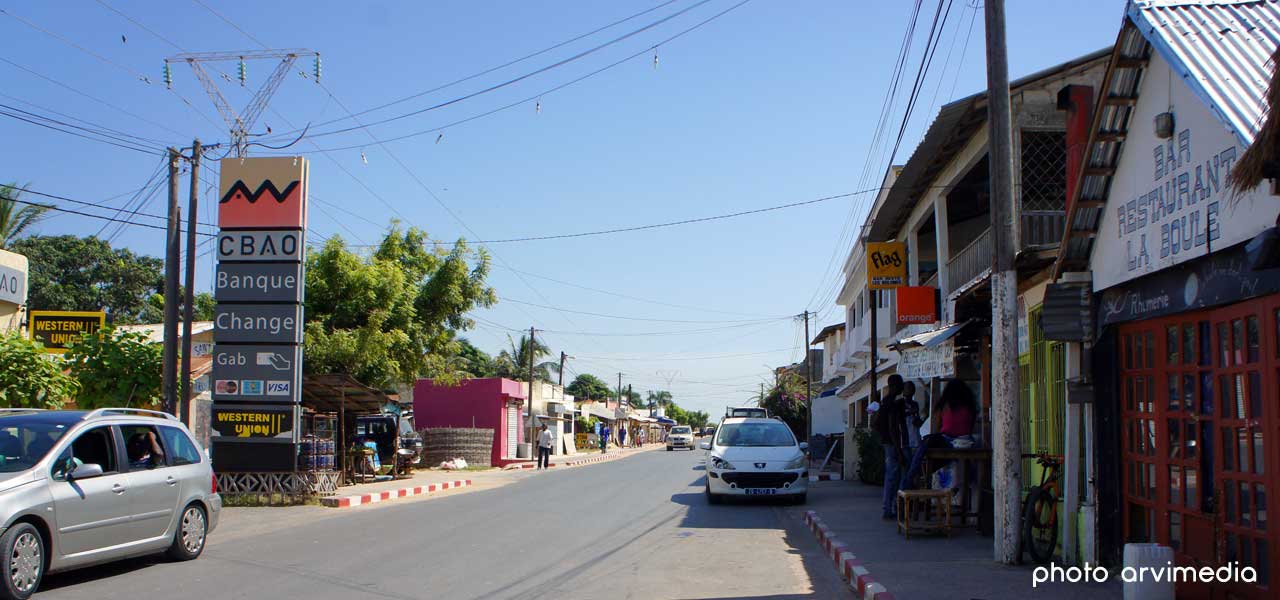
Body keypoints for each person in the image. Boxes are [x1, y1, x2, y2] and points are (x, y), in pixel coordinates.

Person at [902, 379, 979, 488]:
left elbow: (938, 426)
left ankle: (912, 477)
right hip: (966, 442)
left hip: (947, 441)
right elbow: (970, 426)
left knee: (926, 447)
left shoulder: (944, 405)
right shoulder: (970, 406)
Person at [872, 374, 908, 520]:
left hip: (888, 442)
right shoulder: (891, 403)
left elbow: (875, 424)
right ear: (895, 385)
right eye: (901, 384)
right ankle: (889, 508)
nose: (902, 387)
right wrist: (898, 448)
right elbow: (893, 427)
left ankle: (890, 507)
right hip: (892, 444)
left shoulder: (885, 402)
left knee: (892, 476)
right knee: (893, 477)